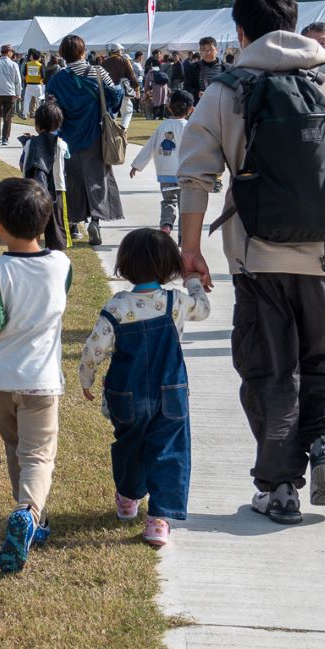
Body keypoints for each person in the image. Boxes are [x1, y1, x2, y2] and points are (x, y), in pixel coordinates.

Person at [177, 0, 325, 527]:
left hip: (257, 258)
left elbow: (196, 173)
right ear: (295, 25)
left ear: (241, 31)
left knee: (269, 369)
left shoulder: (226, 90)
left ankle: (278, 488)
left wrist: (191, 248)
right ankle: (323, 442)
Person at [78, 228, 211, 551]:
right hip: (171, 391)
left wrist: (87, 378)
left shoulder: (119, 305)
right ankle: (159, 519)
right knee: (171, 451)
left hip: (127, 393)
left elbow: (94, 348)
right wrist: (192, 280)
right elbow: (203, 309)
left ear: (124, 265)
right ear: (169, 267)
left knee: (130, 444)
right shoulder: (175, 302)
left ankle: (128, 496)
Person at [0, 177, 71, 574]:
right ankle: (30, 513)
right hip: (42, 379)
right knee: (39, 454)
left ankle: (33, 516)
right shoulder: (62, 264)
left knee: (15, 448)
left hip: (2, 378)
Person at [46, 35, 123, 247]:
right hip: (95, 134)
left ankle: (72, 224)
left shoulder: (57, 79)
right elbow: (115, 97)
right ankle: (95, 221)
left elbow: (51, 107)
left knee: (70, 180)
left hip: (67, 136)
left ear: (62, 53)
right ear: (83, 51)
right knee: (98, 178)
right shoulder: (98, 72)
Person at [131, 89, 193, 233]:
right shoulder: (189, 127)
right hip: (184, 175)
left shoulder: (162, 126)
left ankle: (166, 225)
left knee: (168, 201)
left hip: (165, 175)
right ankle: (184, 237)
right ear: (191, 109)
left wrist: (137, 165)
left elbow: (150, 146)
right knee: (185, 206)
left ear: (169, 107)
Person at [18, 101, 71, 250]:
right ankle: (55, 258)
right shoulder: (61, 144)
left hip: (32, 190)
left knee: (33, 226)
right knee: (57, 228)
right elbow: (67, 156)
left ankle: (33, 253)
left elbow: (23, 165)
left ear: (37, 125)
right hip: (57, 190)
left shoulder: (30, 144)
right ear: (58, 125)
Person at [21, 50, 46, 119]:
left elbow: (24, 74)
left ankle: (24, 114)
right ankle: (39, 115)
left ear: (32, 56)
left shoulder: (27, 64)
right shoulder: (40, 65)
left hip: (29, 85)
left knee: (26, 101)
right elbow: (43, 76)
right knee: (39, 102)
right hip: (38, 85)